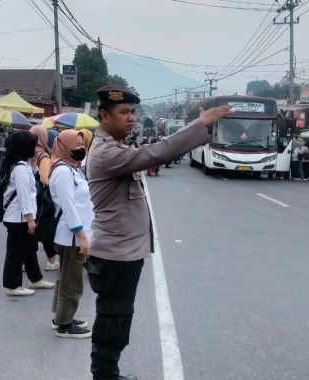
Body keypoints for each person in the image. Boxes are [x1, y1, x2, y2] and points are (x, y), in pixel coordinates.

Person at [86, 85, 231, 380]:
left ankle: (108, 372)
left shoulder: (113, 146)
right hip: (116, 255)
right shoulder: (106, 152)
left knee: (118, 316)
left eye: (133, 112)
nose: (132, 119)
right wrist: (199, 125)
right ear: (104, 115)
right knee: (114, 317)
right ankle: (104, 375)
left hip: (121, 252)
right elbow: (157, 152)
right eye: (124, 112)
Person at [49, 130, 93, 339]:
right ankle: (64, 325)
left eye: (81, 144)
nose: (80, 148)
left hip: (73, 235)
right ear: (63, 147)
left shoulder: (72, 169)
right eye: (75, 145)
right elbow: (68, 207)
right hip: (71, 236)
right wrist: (81, 235)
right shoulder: (63, 172)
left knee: (65, 278)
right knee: (72, 282)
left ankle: (61, 317)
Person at [1, 131, 55, 296]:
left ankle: (35, 279)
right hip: (19, 218)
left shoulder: (23, 165)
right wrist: (30, 219)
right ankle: (13, 285)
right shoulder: (20, 169)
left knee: (29, 249)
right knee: (15, 253)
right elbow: (24, 196)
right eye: (34, 146)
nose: (36, 149)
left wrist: (33, 162)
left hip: (21, 217)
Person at [30, 125, 59, 271]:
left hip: (28, 200)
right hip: (40, 201)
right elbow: (44, 179)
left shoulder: (27, 152)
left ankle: (26, 261)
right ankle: (51, 261)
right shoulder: (43, 156)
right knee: (45, 231)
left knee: (31, 232)